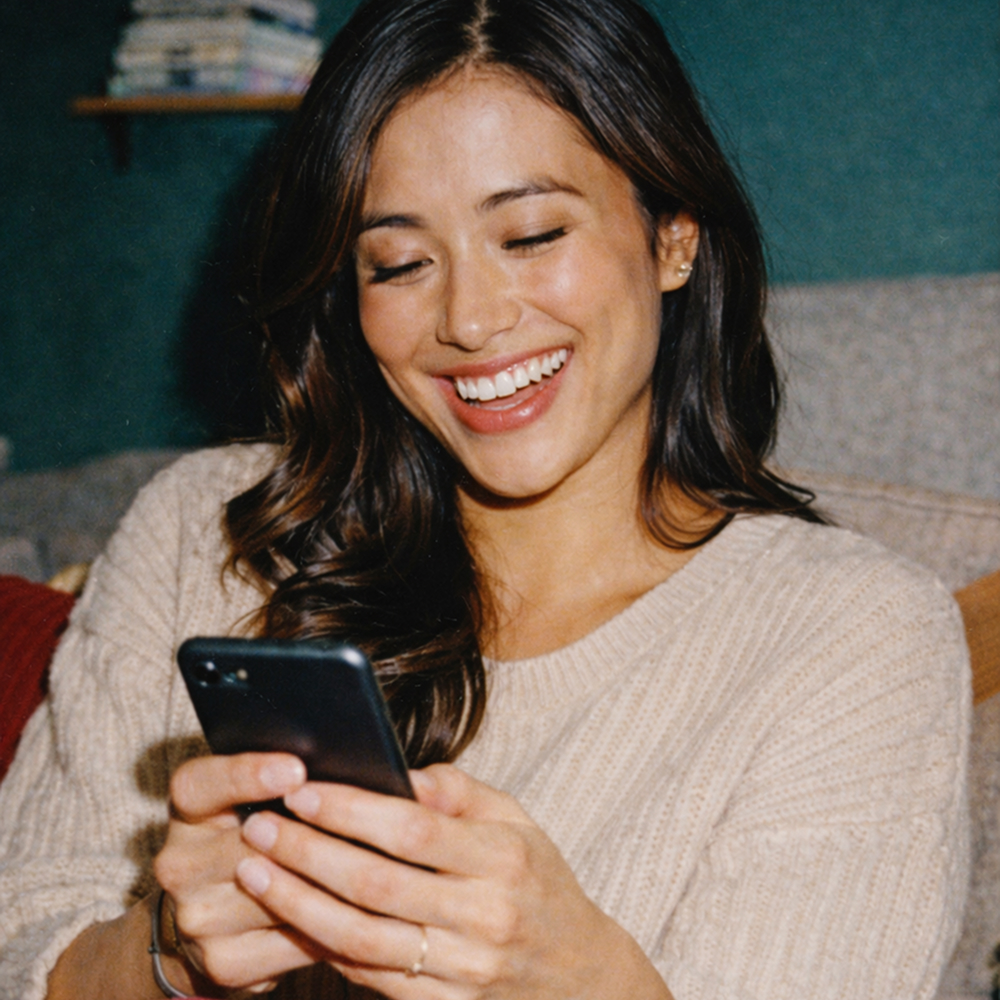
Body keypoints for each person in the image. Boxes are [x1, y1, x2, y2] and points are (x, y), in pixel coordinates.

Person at [0, 0, 970, 996]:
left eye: (532, 233)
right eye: (401, 262)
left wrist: (582, 978)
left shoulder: (853, 637)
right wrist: (166, 953)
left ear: (673, 236)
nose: (469, 319)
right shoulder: (199, 537)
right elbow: (19, 937)